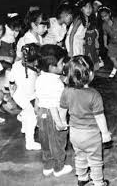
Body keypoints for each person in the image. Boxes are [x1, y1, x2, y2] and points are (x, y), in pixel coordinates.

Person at [60, 55, 111, 186]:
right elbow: (100, 117)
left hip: (75, 133)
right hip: (91, 134)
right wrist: (105, 134)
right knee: (95, 160)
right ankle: (99, 182)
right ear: (90, 74)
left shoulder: (66, 91)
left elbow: (62, 110)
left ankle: (82, 178)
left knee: (80, 155)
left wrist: (61, 122)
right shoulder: (94, 94)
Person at [35, 44, 73, 177]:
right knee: (58, 142)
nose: (64, 65)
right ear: (52, 67)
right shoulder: (56, 84)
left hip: (42, 114)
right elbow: (54, 105)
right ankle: (58, 168)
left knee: (45, 142)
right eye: (62, 63)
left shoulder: (40, 78)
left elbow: (38, 98)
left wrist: (37, 114)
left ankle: (47, 166)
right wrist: (60, 122)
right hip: (53, 115)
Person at [9, 43, 41, 150]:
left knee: (28, 112)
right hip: (24, 96)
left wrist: (12, 88)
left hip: (17, 93)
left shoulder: (16, 64)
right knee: (32, 117)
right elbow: (32, 93)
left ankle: (23, 119)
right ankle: (30, 143)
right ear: (36, 60)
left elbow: (11, 79)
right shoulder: (32, 74)